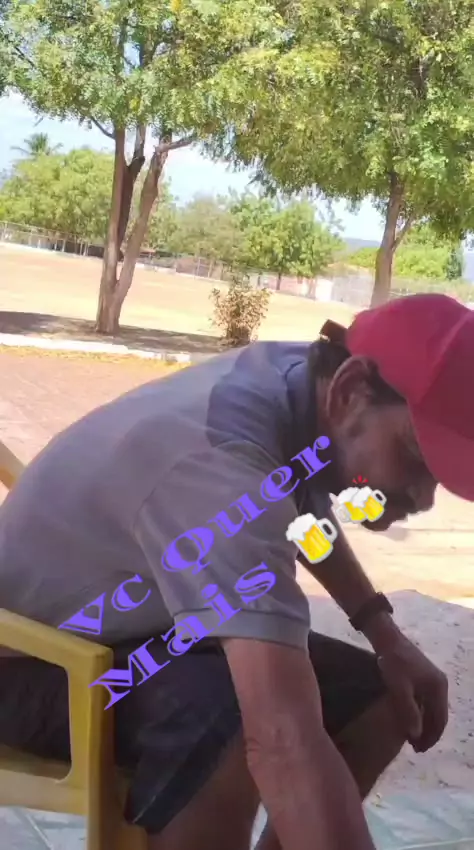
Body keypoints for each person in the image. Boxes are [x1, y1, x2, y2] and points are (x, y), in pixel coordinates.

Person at [1, 292, 471, 850]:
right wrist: (284, 736)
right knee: (235, 728)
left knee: (380, 700)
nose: (422, 496)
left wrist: (385, 635)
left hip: (137, 629)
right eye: (416, 457)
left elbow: (298, 506)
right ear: (349, 391)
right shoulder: (219, 466)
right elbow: (281, 742)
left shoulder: (300, 379)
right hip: (32, 662)